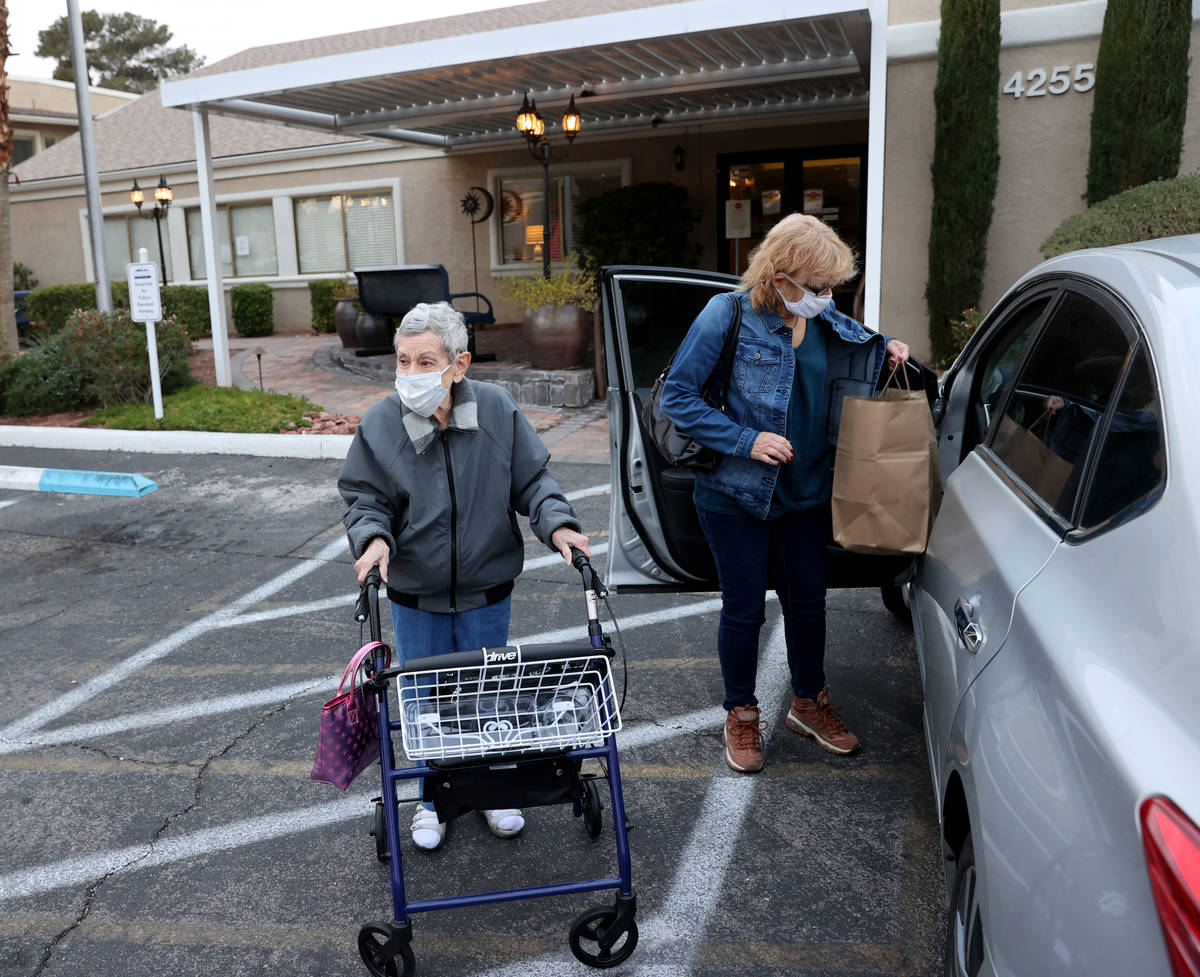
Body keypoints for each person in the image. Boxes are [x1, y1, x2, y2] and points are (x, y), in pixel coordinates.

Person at [660, 214, 909, 773]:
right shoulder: (725, 314)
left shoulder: (823, 319)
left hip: (809, 489)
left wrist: (888, 347)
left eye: (831, 288)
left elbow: (854, 342)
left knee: (807, 606)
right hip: (735, 493)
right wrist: (745, 440)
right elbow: (678, 396)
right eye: (816, 287)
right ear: (780, 277)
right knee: (744, 610)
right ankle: (742, 714)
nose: (825, 297)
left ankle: (807, 703)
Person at [338, 301, 591, 849]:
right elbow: (365, 497)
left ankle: (490, 793)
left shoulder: (496, 410)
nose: (410, 374)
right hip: (415, 593)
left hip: (486, 590)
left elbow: (533, 482)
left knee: (485, 697)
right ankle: (432, 802)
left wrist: (559, 525)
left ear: (460, 364)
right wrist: (375, 538)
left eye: (425, 361)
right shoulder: (383, 422)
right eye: (402, 361)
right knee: (427, 703)